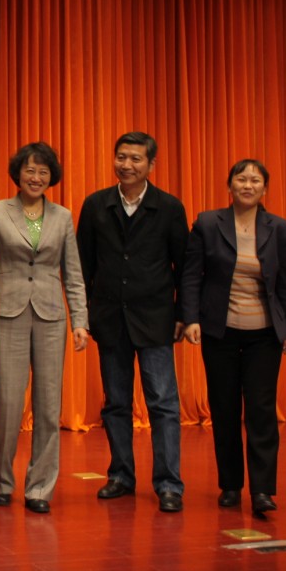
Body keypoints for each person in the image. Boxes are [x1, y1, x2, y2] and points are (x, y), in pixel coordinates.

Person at [77, 131, 189, 512]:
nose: (126, 165)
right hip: (110, 319)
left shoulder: (169, 207)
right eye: (121, 157)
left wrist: (183, 315)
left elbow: (184, 267)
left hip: (155, 319)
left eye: (135, 159)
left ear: (151, 165)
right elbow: (83, 265)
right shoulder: (96, 205)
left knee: (163, 404)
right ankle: (121, 475)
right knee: (116, 403)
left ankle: (169, 484)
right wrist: (85, 313)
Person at [0, 142, 89, 514]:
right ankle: (2, 481)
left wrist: (80, 321)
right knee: (8, 402)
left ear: (51, 177)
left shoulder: (63, 216)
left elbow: (73, 273)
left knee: (48, 405)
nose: (36, 177)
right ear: (18, 173)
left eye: (43, 171)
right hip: (7, 313)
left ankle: (40, 487)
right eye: (30, 170)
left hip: (52, 317)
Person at [181, 159, 286, 515]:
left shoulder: (280, 228)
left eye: (255, 180)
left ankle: (262, 490)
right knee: (224, 407)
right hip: (220, 331)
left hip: (265, 334)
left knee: (261, 410)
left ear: (265, 189)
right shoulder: (208, 223)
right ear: (229, 185)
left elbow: (285, 282)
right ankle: (230, 485)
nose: (248, 185)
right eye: (241, 179)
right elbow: (191, 275)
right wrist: (190, 318)